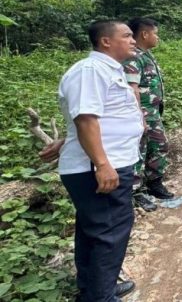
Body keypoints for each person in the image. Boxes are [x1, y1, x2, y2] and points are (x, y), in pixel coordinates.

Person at [57, 20, 143, 301]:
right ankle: (101, 296)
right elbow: (85, 118)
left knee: (93, 232)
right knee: (109, 234)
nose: (133, 40)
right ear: (106, 42)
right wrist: (102, 164)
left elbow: (95, 118)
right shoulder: (91, 70)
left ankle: (95, 289)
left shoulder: (108, 71)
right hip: (99, 168)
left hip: (104, 163)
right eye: (127, 35)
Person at [123, 17, 172, 212]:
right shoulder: (134, 57)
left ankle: (154, 183)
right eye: (155, 33)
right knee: (140, 150)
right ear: (144, 34)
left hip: (151, 112)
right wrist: (139, 116)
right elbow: (132, 88)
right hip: (142, 112)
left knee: (158, 146)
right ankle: (136, 191)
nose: (157, 37)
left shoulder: (146, 54)